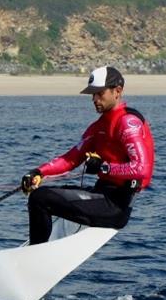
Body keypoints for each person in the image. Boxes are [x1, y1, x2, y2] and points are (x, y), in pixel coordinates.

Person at [21, 66, 155, 245]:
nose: (94, 99)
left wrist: (103, 168)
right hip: (101, 194)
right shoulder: (98, 127)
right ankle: (37, 249)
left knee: (40, 199)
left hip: (116, 206)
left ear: (117, 91)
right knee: (41, 194)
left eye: (99, 93)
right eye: (92, 94)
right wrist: (39, 172)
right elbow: (70, 159)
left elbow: (141, 169)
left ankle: (35, 255)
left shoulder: (128, 123)